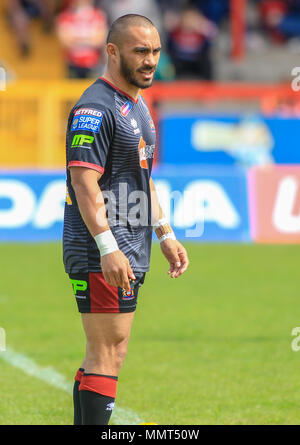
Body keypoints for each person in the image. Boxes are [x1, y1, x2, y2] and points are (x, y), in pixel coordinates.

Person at [63, 14, 189, 425]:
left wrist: (165, 233)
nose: (150, 60)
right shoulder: (95, 108)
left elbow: (143, 178)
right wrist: (107, 248)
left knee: (112, 352)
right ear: (112, 51)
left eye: (154, 51)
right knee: (106, 352)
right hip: (103, 249)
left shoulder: (136, 104)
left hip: (131, 246)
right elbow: (84, 183)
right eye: (140, 51)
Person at [56, 0, 108, 78]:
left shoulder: (99, 15)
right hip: (72, 65)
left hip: (94, 65)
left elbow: (100, 41)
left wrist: (76, 39)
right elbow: (65, 42)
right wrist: (90, 38)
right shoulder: (65, 16)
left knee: (94, 89)